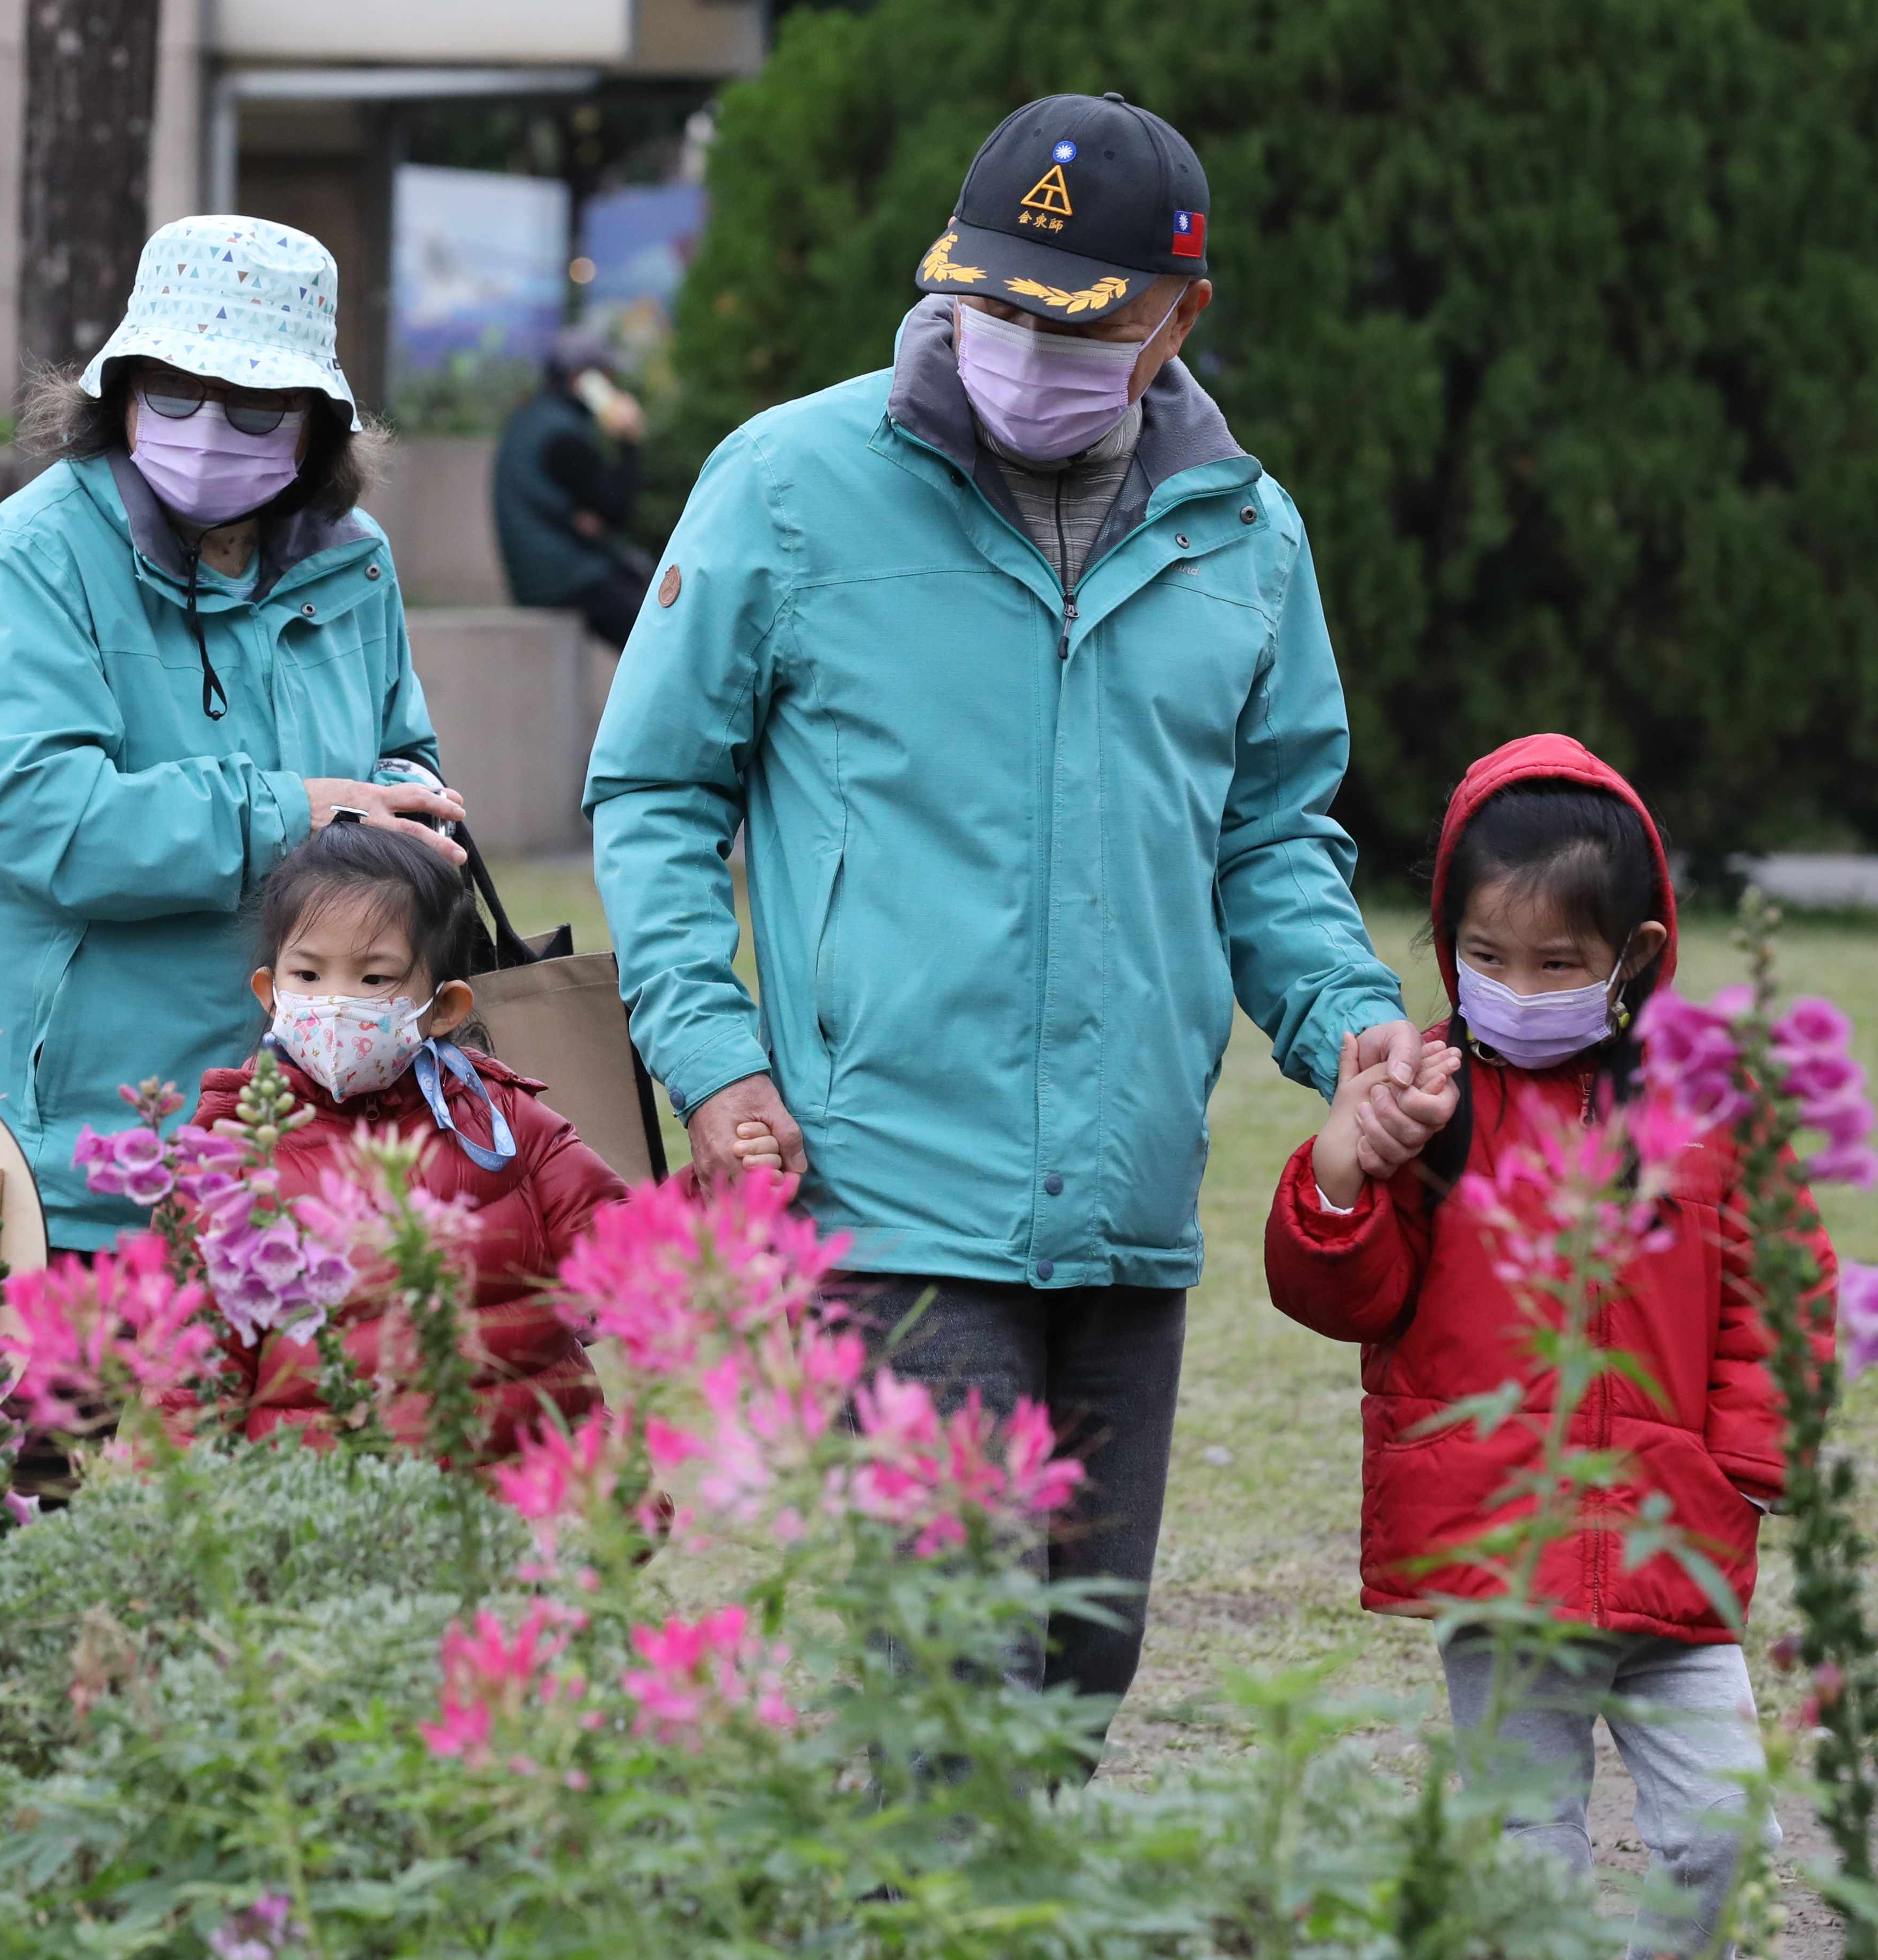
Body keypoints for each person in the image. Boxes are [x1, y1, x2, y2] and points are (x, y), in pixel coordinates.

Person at [587, 90, 1445, 1722]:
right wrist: (711, 1054)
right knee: (955, 1660)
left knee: (1073, 1662)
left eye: (1078, 322)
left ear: (1179, 316)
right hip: (879, 1172)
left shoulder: (1246, 536)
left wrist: (1346, 1026)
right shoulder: (786, 483)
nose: (1020, 348)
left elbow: (1269, 834)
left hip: (1122, 1193)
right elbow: (653, 787)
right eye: (991, 304)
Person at [1263, 734, 1833, 1959]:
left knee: (1726, 1838)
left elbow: (1781, 1286)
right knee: (1521, 1859)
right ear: (1445, 942)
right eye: (1484, 959)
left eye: (1558, 963)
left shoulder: (1707, 1102)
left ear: (1638, 958)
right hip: (1499, 1562)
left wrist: (1745, 1459)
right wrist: (1343, 1170)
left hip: (1671, 1546)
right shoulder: (1429, 1097)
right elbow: (1345, 1295)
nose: (1518, 988)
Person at [0, 216, 471, 1254]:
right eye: (176, 392)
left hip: (278, 1130)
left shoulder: (354, 560)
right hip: (49, 1138)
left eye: (250, 405)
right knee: (32, 1415)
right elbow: (27, 814)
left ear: (314, 421)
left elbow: (398, 747)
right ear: (122, 390)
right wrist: (304, 812)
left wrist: (404, 806)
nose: (206, 427)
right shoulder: (33, 557)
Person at [193, 820, 634, 1452]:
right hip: (335, 1515)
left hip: (518, 1487)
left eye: (375, 979)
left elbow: (632, 1254)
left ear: (446, 1007)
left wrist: (717, 1194)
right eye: (309, 976)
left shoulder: (505, 1123)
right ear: (270, 993)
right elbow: (194, 1363)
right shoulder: (235, 1153)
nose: (337, 1003)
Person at [492, 331, 653, 648]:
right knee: (657, 633)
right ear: (583, 379)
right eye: (608, 377)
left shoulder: (539, 419)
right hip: (561, 576)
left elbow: (598, 516)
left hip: (552, 569)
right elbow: (615, 510)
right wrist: (628, 442)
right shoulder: (562, 436)